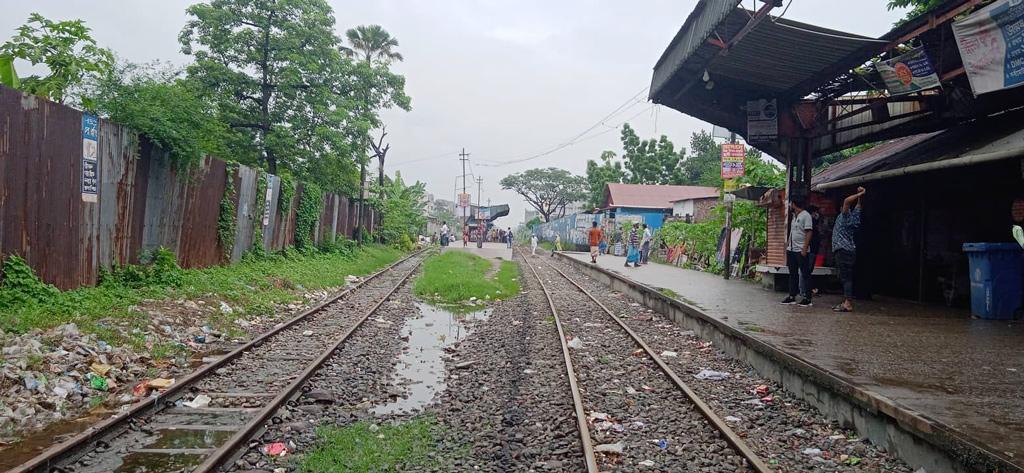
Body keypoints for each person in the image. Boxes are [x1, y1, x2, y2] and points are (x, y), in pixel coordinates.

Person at [831, 187, 865, 312]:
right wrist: (860, 197)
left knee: (845, 278)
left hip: (842, 249)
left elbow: (846, 201)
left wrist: (859, 193)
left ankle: (848, 302)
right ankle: (846, 300)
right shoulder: (855, 217)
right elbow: (858, 206)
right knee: (846, 277)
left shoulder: (844, 216)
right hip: (849, 250)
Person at [781, 196, 814, 307]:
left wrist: (805, 247)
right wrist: (787, 246)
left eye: (790, 203)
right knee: (793, 273)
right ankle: (792, 296)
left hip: (801, 249)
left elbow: (809, 232)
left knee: (805, 274)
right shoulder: (795, 217)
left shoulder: (806, 216)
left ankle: (807, 298)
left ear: (794, 204)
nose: (790, 205)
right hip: (792, 249)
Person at [806, 205, 823, 295]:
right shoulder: (810, 223)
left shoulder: (814, 222)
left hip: (812, 249)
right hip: (811, 249)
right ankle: (807, 290)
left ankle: (807, 289)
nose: (816, 214)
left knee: (808, 270)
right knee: (808, 270)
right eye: (815, 212)